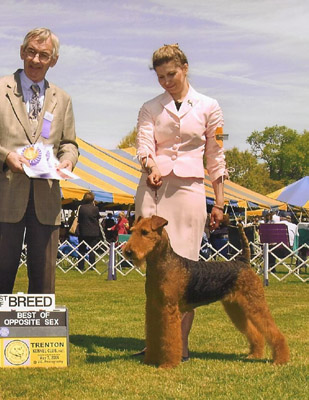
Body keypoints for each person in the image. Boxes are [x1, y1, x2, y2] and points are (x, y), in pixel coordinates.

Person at [0, 27, 79, 350]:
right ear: (21, 52)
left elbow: (70, 143)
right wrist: (5, 156)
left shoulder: (63, 99)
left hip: (46, 199)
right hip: (4, 193)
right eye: (31, 52)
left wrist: (67, 161)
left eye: (44, 55)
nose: (36, 60)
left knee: (44, 276)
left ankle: (40, 338)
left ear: (53, 60)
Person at [134, 44, 227, 361]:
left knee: (185, 272)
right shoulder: (149, 107)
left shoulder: (210, 107)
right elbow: (144, 145)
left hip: (190, 192)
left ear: (185, 68)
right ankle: (154, 344)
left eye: (171, 74)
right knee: (155, 274)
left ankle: (179, 345)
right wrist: (151, 166)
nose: (166, 82)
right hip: (154, 190)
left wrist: (219, 202)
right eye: (160, 77)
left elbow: (216, 155)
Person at [77, 192, 101, 270]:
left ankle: (80, 266)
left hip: (83, 231)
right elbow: (98, 217)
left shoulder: (81, 208)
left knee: (81, 249)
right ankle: (92, 266)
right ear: (93, 199)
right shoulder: (95, 208)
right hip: (93, 232)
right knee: (92, 249)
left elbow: (79, 219)